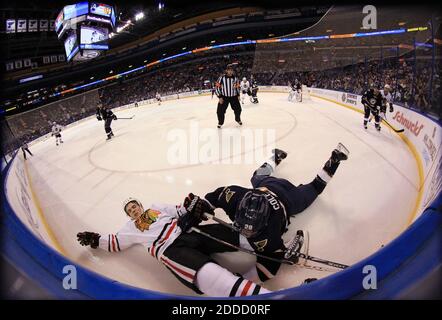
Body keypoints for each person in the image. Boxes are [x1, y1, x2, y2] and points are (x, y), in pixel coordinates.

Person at [196, 144, 349, 283]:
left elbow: (269, 267)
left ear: (265, 222)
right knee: (258, 177)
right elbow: (216, 196)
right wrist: (204, 206)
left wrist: (205, 206)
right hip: (270, 187)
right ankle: (333, 159)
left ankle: (331, 160)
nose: (246, 233)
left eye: (251, 230)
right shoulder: (235, 196)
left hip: (290, 198)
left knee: (315, 188)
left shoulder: (268, 233)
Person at [76, 195, 270, 297]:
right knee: (206, 272)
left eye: (134, 206)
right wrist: (95, 239)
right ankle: (261, 296)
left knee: (230, 234)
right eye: (129, 210)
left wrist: (192, 204)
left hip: (187, 232)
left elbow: (180, 210)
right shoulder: (129, 228)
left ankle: (272, 248)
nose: (133, 210)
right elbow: (114, 243)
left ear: (140, 205)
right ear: (128, 215)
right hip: (171, 250)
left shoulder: (156, 207)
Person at [215, 64, 242, 129]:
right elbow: (217, 87)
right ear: (226, 70)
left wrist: (238, 95)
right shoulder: (221, 78)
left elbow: (237, 87)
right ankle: (220, 122)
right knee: (220, 111)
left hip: (234, 97)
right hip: (224, 97)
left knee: (238, 109)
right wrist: (220, 97)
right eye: (229, 70)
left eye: (231, 70)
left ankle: (237, 119)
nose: (230, 71)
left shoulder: (235, 78)